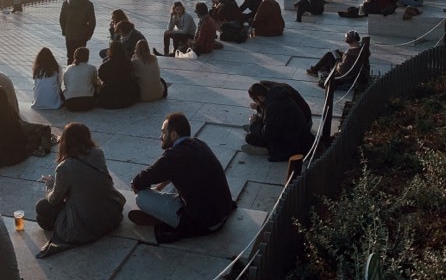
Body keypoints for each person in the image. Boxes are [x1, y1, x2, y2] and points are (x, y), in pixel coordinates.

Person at [129, 112, 235, 243]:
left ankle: (162, 216)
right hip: (222, 211)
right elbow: (173, 171)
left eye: (163, 133)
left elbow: (139, 182)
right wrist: (160, 186)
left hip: (204, 221)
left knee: (142, 198)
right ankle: (162, 211)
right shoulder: (198, 143)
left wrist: (140, 189)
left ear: (173, 135)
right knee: (183, 177)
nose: (160, 137)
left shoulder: (173, 156)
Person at [35, 122, 125, 257]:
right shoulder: (98, 153)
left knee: (41, 208)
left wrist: (50, 185)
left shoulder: (65, 167)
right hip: (111, 216)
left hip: (86, 224)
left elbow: (54, 200)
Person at [242, 83, 313, 161]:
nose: (256, 103)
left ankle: (267, 149)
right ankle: (254, 130)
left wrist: (254, 124)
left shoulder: (273, 106)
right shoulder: (276, 96)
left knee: (250, 138)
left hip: (294, 144)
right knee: (256, 129)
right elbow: (273, 121)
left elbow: (268, 133)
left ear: (259, 97)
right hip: (299, 134)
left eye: (255, 100)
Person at [59, 0, 96, 65]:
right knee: (81, 57)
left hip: (70, 34)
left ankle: (70, 73)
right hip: (82, 34)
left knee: (70, 56)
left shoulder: (66, 3)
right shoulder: (88, 4)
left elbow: (62, 19)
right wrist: (89, 34)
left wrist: (64, 31)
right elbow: (92, 22)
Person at [97, 41, 140, 108]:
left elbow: (102, 78)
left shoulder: (104, 66)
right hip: (128, 98)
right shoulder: (128, 63)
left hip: (109, 98)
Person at [62, 47, 101, 111]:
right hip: (88, 103)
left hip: (70, 103)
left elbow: (66, 84)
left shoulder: (68, 68)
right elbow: (95, 83)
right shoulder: (92, 68)